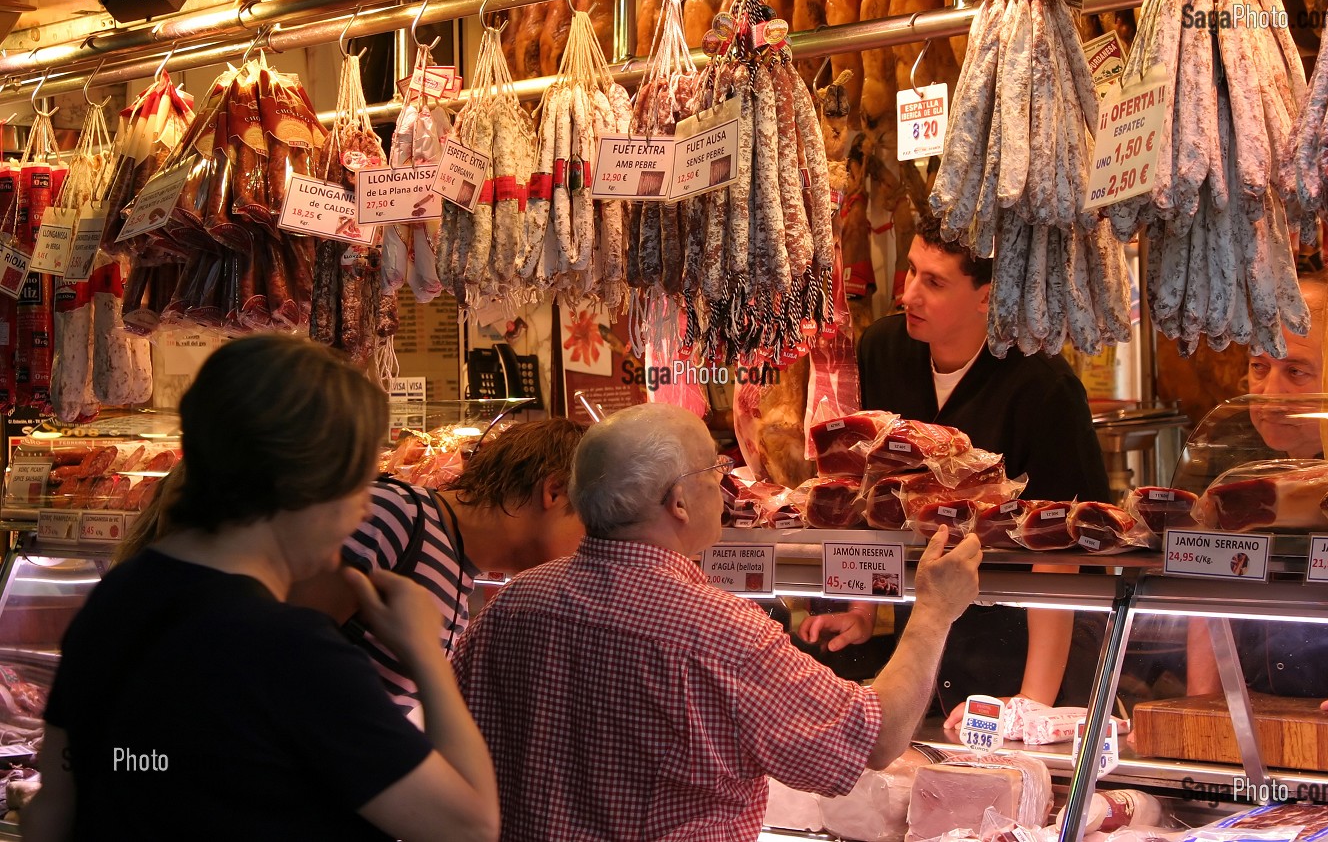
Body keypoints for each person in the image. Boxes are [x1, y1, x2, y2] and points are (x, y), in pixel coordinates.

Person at [24, 334, 499, 842]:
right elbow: (469, 825)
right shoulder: (291, 651)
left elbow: (55, 806)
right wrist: (423, 651)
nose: (365, 509)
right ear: (305, 481)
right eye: (359, 482)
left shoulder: (116, 597)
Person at [454, 403, 982, 842]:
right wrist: (935, 611)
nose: (725, 487)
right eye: (714, 472)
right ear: (677, 502)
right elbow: (877, 738)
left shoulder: (511, 604)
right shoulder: (718, 630)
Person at [800, 232, 1111, 724]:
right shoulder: (884, 349)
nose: (908, 294)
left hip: (1021, 645)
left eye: (934, 282)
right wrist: (863, 610)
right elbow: (873, 493)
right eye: (911, 270)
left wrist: (1030, 705)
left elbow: (1061, 554)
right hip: (925, 638)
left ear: (987, 297)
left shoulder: (1044, 388)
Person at [1187, 274, 1328, 724]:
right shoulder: (1230, 450)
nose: (1269, 395)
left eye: (1296, 372)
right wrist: (1204, 703)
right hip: (1264, 710)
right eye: (1259, 367)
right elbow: (1205, 584)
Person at [289, 417, 588, 711]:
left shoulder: (459, 585)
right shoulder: (394, 516)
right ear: (554, 491)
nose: (590, 547)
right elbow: (278, 649)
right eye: (592, 525)